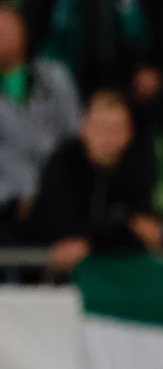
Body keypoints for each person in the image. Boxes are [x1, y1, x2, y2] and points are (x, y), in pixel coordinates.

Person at [29, 87, 162, 274]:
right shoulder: (63, 164)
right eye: (101, 127)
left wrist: (91, 242)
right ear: (84, 129)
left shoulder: (138, 165)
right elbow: (64, 228)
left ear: (129, 133)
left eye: (116, 129)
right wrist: (124, 227)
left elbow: (149, 232)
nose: (108, 137)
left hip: (122, 275)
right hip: (54, 278)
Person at [0, 2, 80, 245]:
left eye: (6, 29)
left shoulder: (55, 76)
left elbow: (74, 137)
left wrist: (49, 190)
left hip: (57, 199)